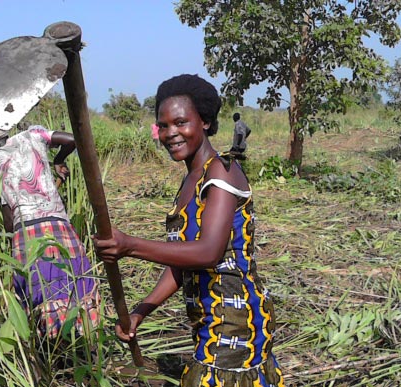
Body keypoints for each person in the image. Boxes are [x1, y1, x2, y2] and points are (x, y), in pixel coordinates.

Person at [93, 74, 284, 386]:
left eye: (181, 123)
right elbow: (182, 266)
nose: (171, 133)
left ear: (205, 121)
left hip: (235, 321)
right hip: (208, 320)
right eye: (164, 126)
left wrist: (129, 246)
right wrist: (141, 312)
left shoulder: (222, 173)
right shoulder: (190, 180)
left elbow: (208, 252)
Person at [0, 118, 99, 339]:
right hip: (58, 223)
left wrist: (11, 245)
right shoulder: (33, 136)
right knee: (73, 279)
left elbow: (7, 215)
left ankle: (51, 341)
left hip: (27, 230)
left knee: (39, 288)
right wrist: (58, 160)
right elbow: (71, 139)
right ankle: (86, 334)